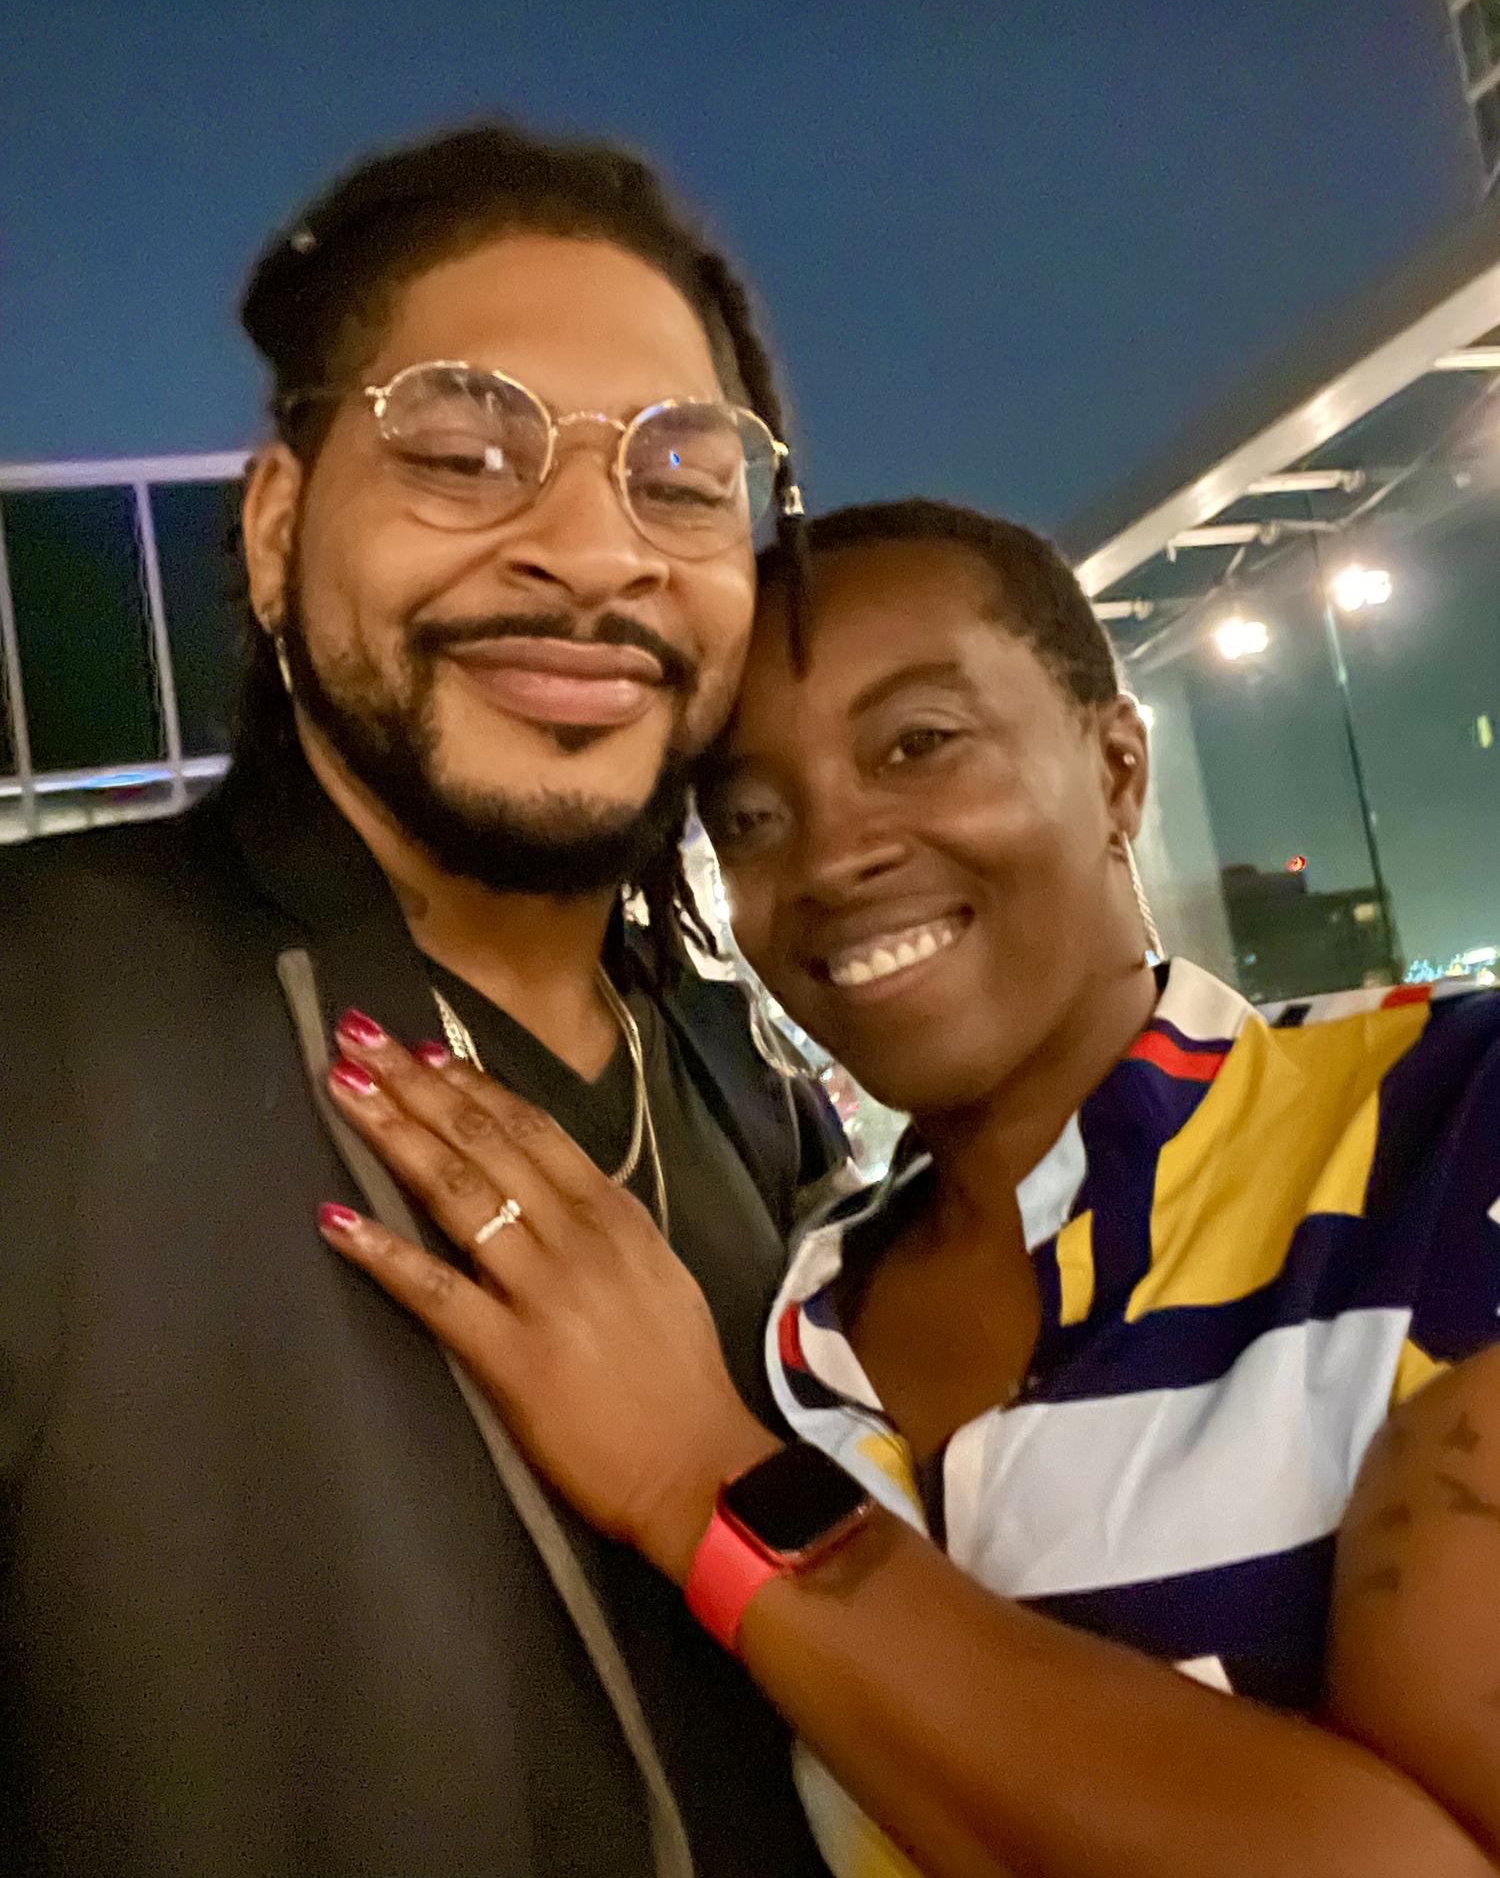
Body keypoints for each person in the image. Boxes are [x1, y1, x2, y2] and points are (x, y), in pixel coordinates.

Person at [320, 497, 1500, 1878]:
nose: (831, 859)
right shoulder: (790, 1315)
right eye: (750, 819)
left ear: (1118, 768)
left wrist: (706, 1485)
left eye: (918, 745)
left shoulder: (1449, 1123)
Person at [0, 120, 847, 1877]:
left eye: (684, 480)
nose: (595, 553)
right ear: (277, 528)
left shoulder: (741, 1077)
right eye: (464, 455)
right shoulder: (44, 1013)